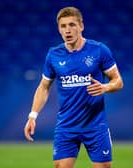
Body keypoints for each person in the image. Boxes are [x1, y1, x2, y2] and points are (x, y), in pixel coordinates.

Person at [24, 6, 123, 168]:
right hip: (66, 126)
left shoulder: (99, 50)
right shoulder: (53, 55)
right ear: (59, 29)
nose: (68, 30)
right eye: (63, 26)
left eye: (72, 25)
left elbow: (118, 81)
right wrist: (32, 116)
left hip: (95, 126)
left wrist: (105, 87)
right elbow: (44, 87)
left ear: (81, 26)